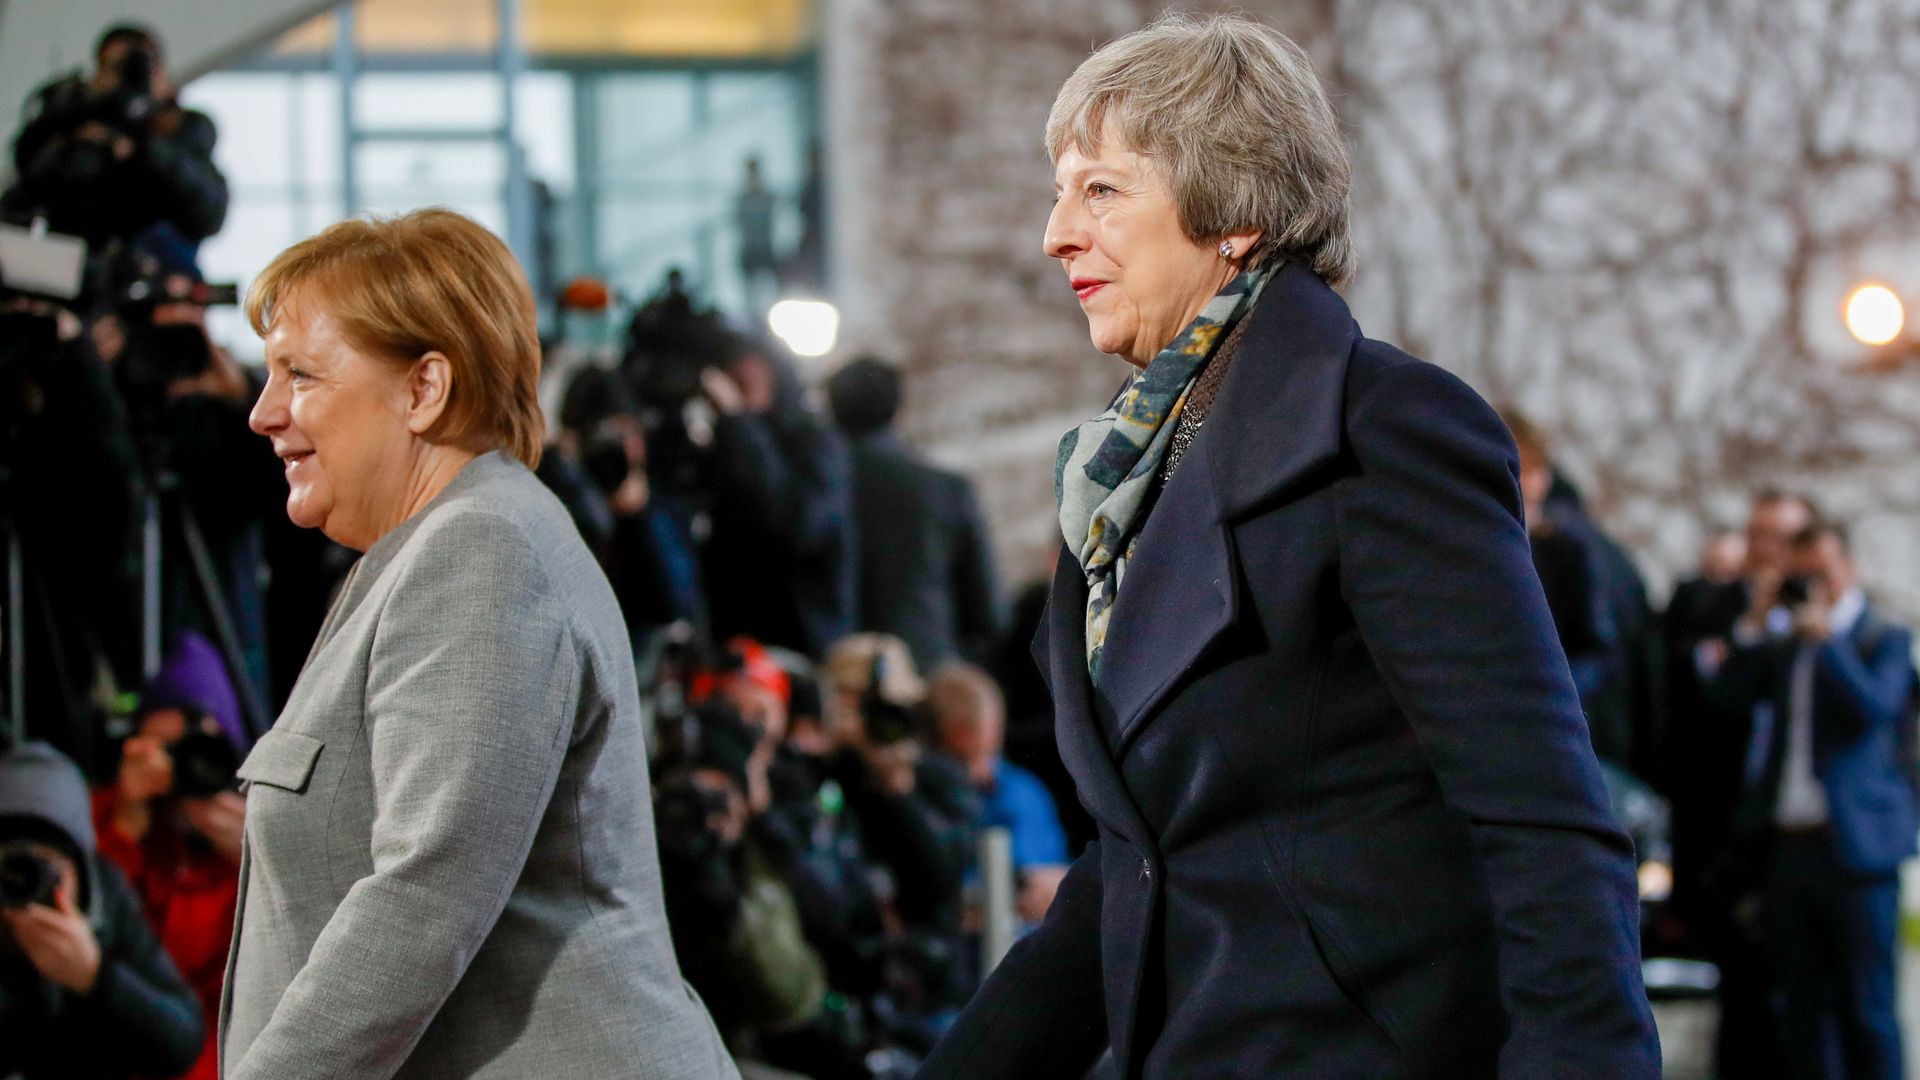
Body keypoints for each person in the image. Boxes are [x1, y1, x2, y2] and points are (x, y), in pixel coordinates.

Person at [921, 15, 1658, 1079]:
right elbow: (1138, 863)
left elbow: (1544, 820)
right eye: (1058, 191)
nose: (1056, 234)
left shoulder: (1379, 428)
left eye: (1101, 190)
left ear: (1232, 209)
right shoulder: (1130, 476)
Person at [226, 208, 736, 1079]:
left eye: (299, 375)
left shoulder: (479, 551)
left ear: (424, 388)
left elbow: (422, 896)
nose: (263, 414)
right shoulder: (433, 548)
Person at [1703, 522, 1915, 1080]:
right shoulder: (1786, 643)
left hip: (1857, 850)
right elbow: (1727, 696)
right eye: (1803, 575)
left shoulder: (1881, 638)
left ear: (1849, 567)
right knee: (1803, 1010)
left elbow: (1876, 708)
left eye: (1820, 571)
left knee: (1869, 1008)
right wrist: (1758, 615)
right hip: (1790, 847)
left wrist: (1831, 642)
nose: (1812, 585)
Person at [1, 740, 204, 1080]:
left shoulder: (107, 901)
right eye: (11, 864)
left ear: (81, 867)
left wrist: (95, 976)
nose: (27, 880)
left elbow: (182, 1040)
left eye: (46, 865)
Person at [827, 356, 1002, 668]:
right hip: (926, 668)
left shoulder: (813, 490)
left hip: (829, 673)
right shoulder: (945, 489)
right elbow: (986, 611)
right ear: (898, 407)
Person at [3, 23, 228, 259]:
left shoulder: (181, 130)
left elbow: (208, 210)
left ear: (159, 73)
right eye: (112, 68)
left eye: (135, 67)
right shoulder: (80, 123)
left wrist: (141, 149)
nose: (123, 80)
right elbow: (29, 174)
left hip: (154, 269)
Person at [702, 341, 859, 659]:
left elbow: (800, 524)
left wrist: (738, 421)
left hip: (798, 642)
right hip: (730, 642)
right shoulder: (723, 437)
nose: (737, 379)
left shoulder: (815, 440)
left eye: (748, 368)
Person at [926, 663, 1069, 924]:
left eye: (989, 753)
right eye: (963, 758)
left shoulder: (1024, 793)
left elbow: (1039, 882)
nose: (980, 772)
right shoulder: (918, 801)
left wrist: (1062, 882)